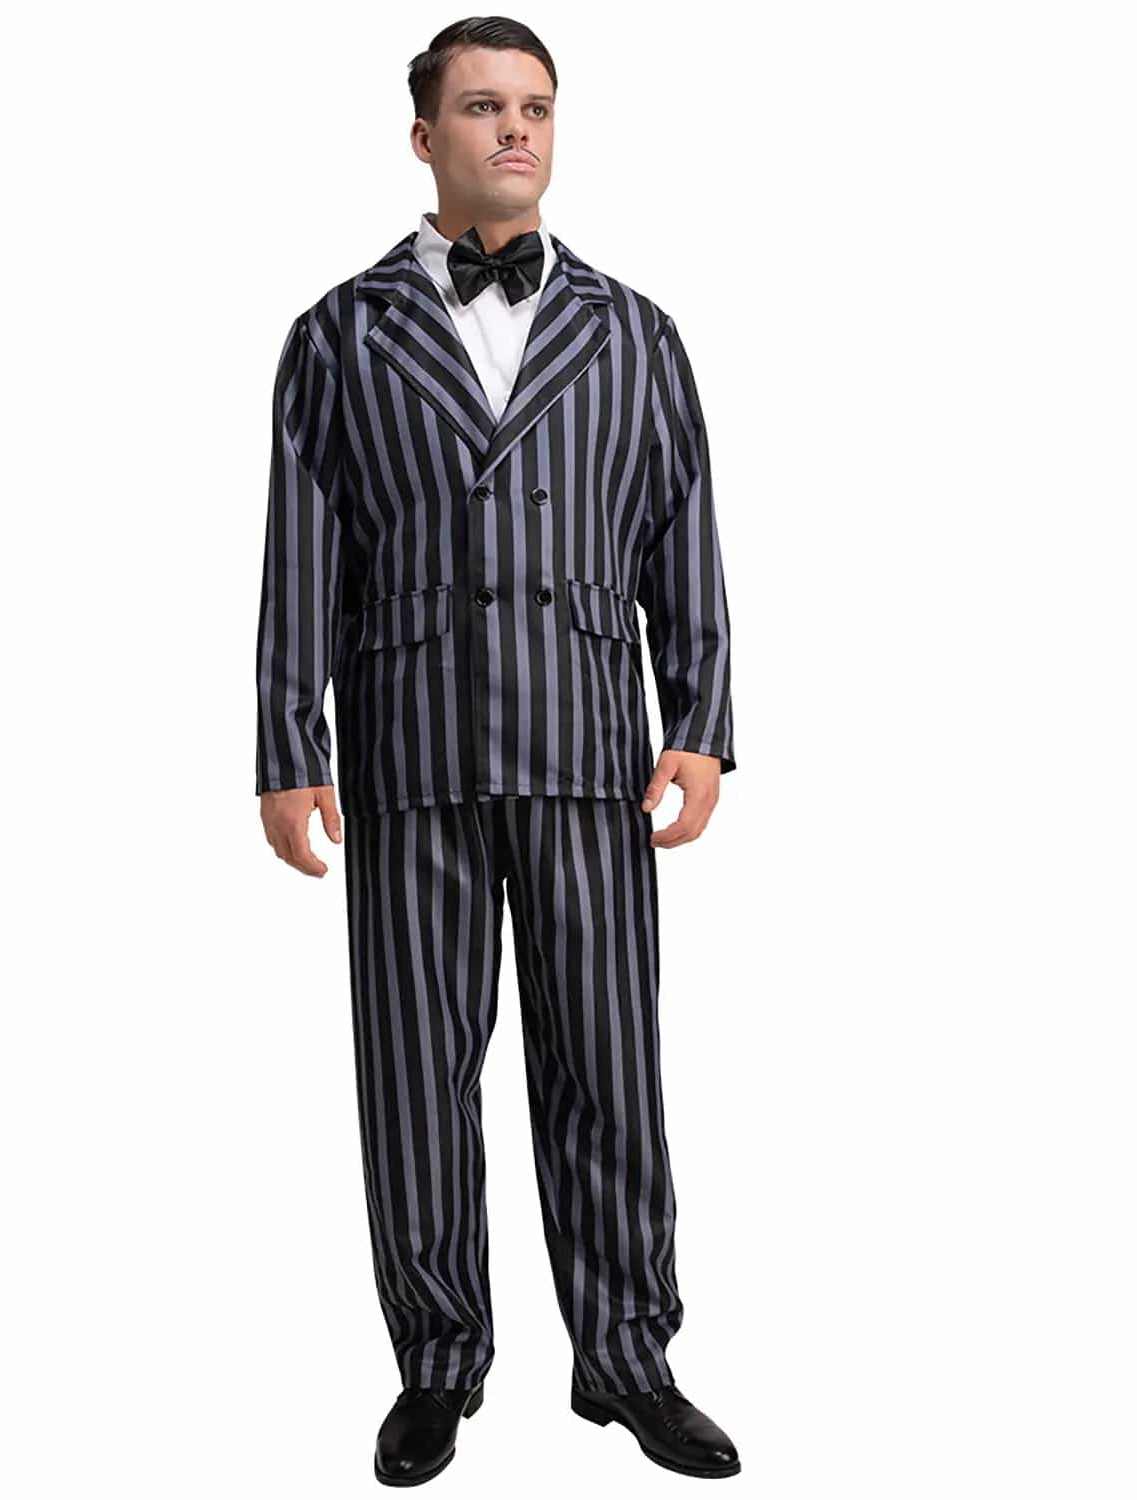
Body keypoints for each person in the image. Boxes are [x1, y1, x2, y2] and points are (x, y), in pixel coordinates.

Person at [255, 17, 740, 1485]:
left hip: (590, 749)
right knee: (417, 1073)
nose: (514, 128)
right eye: (481, 106)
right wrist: (287, 744)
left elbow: (682, 534)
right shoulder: (338, 336)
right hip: (407, 750)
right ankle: (437, 1360)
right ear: (425, 137)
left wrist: (701, 723)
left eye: (535, 106)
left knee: (609, 1068)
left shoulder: (636, 333)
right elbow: (300, 557)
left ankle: (628, 1358)